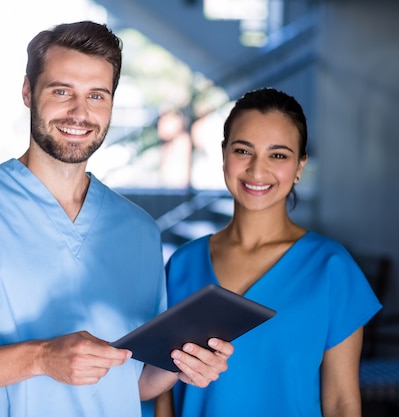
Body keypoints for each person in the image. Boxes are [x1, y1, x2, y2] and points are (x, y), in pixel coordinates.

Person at [0, 21, 233, 417]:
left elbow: (135, 383)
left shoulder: (139, 230)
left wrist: (183, 365)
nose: (80, 113)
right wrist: (42, 358)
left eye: (97, 96)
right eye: (62, 91)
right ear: (28, 92)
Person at [154, 87, 382, 417]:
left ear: (300, 165)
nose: (257, 171)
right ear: (224, 155)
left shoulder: (331, 267)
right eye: (243, 151)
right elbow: (164, 392)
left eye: (278, 155)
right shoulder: (182, 265)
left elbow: (342, 403)